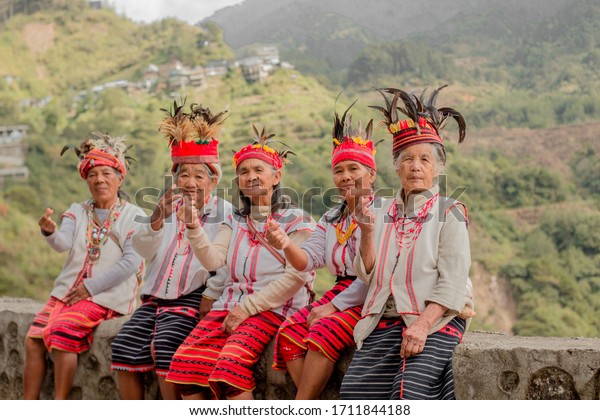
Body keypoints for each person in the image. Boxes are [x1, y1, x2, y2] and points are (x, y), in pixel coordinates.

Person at [340, 85, 475, 400]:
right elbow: (367, 273)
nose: (416, 166)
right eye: (408, 159)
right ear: (396, 167)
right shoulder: (379, 210)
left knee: (408, 395)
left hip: (435, 318)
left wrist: (422, 326)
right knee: (355, 397)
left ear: (437, 168)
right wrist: (368, 233)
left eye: (425, 160)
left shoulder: (450, 212)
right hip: (382, 320)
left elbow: (454, 280)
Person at [166, 125, 316, 399]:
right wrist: (193, 227)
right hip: (229, 305)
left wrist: (246, 309)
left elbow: (296, 277)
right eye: (244, 172)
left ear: (276, 177)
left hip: (273, 309)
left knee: (230, 365)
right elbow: (214, 259)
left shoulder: (297, 220)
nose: (251, 177)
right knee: (184, 365)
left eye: (259, 170)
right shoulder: (234, 220)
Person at [110, 102, 233, 399]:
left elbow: (225, 264)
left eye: (198, 176)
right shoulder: (166, 208)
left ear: (213, 181)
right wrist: (155, 220)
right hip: (155, 297)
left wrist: (211, 293)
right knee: (123, 345)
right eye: (183, 175)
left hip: (193, 297)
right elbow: (142, 249)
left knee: (167, 347)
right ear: (175, 178)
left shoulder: (225, 213)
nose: (189, 182)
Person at [266, 103, 378, 399]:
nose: (345, 176)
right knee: (289, 333)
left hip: (369, 294)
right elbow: (307, 261)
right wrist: (287, 244)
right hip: (339, 292)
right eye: (339, 170)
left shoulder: (385, 212)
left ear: (371, 173)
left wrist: (334, 307)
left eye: (354, 168)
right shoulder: (332, 217)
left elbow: (375, 274)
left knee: (322, 331)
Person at [24, 132, 145, 400]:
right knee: (32, 340)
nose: (99, 180)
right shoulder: (77, 211)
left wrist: (89, 289)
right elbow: (63, 244)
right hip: (68, 293)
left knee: (62, 333)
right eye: (93, 175)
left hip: (106, 296)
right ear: (86, 179)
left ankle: (60, 403)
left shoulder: (134, 215)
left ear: (119, 178)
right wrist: (50, 232)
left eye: (106, 173)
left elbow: (131, 262)